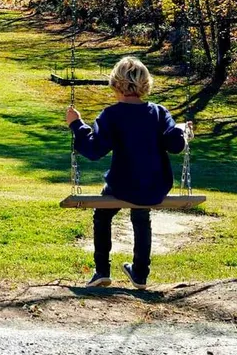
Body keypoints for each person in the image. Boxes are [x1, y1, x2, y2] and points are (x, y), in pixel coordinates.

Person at [66, 56, 191, 289]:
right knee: (141, 215)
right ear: (146, 83)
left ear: (115, 83)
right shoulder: (159, 112)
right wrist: (181, 131)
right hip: (155, 186)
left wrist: (77, 124)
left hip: (122, 185)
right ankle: (140, 274)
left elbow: (93, 150)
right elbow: (174, 145)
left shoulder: (111, 115)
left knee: (102, 215)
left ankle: (102, 271)